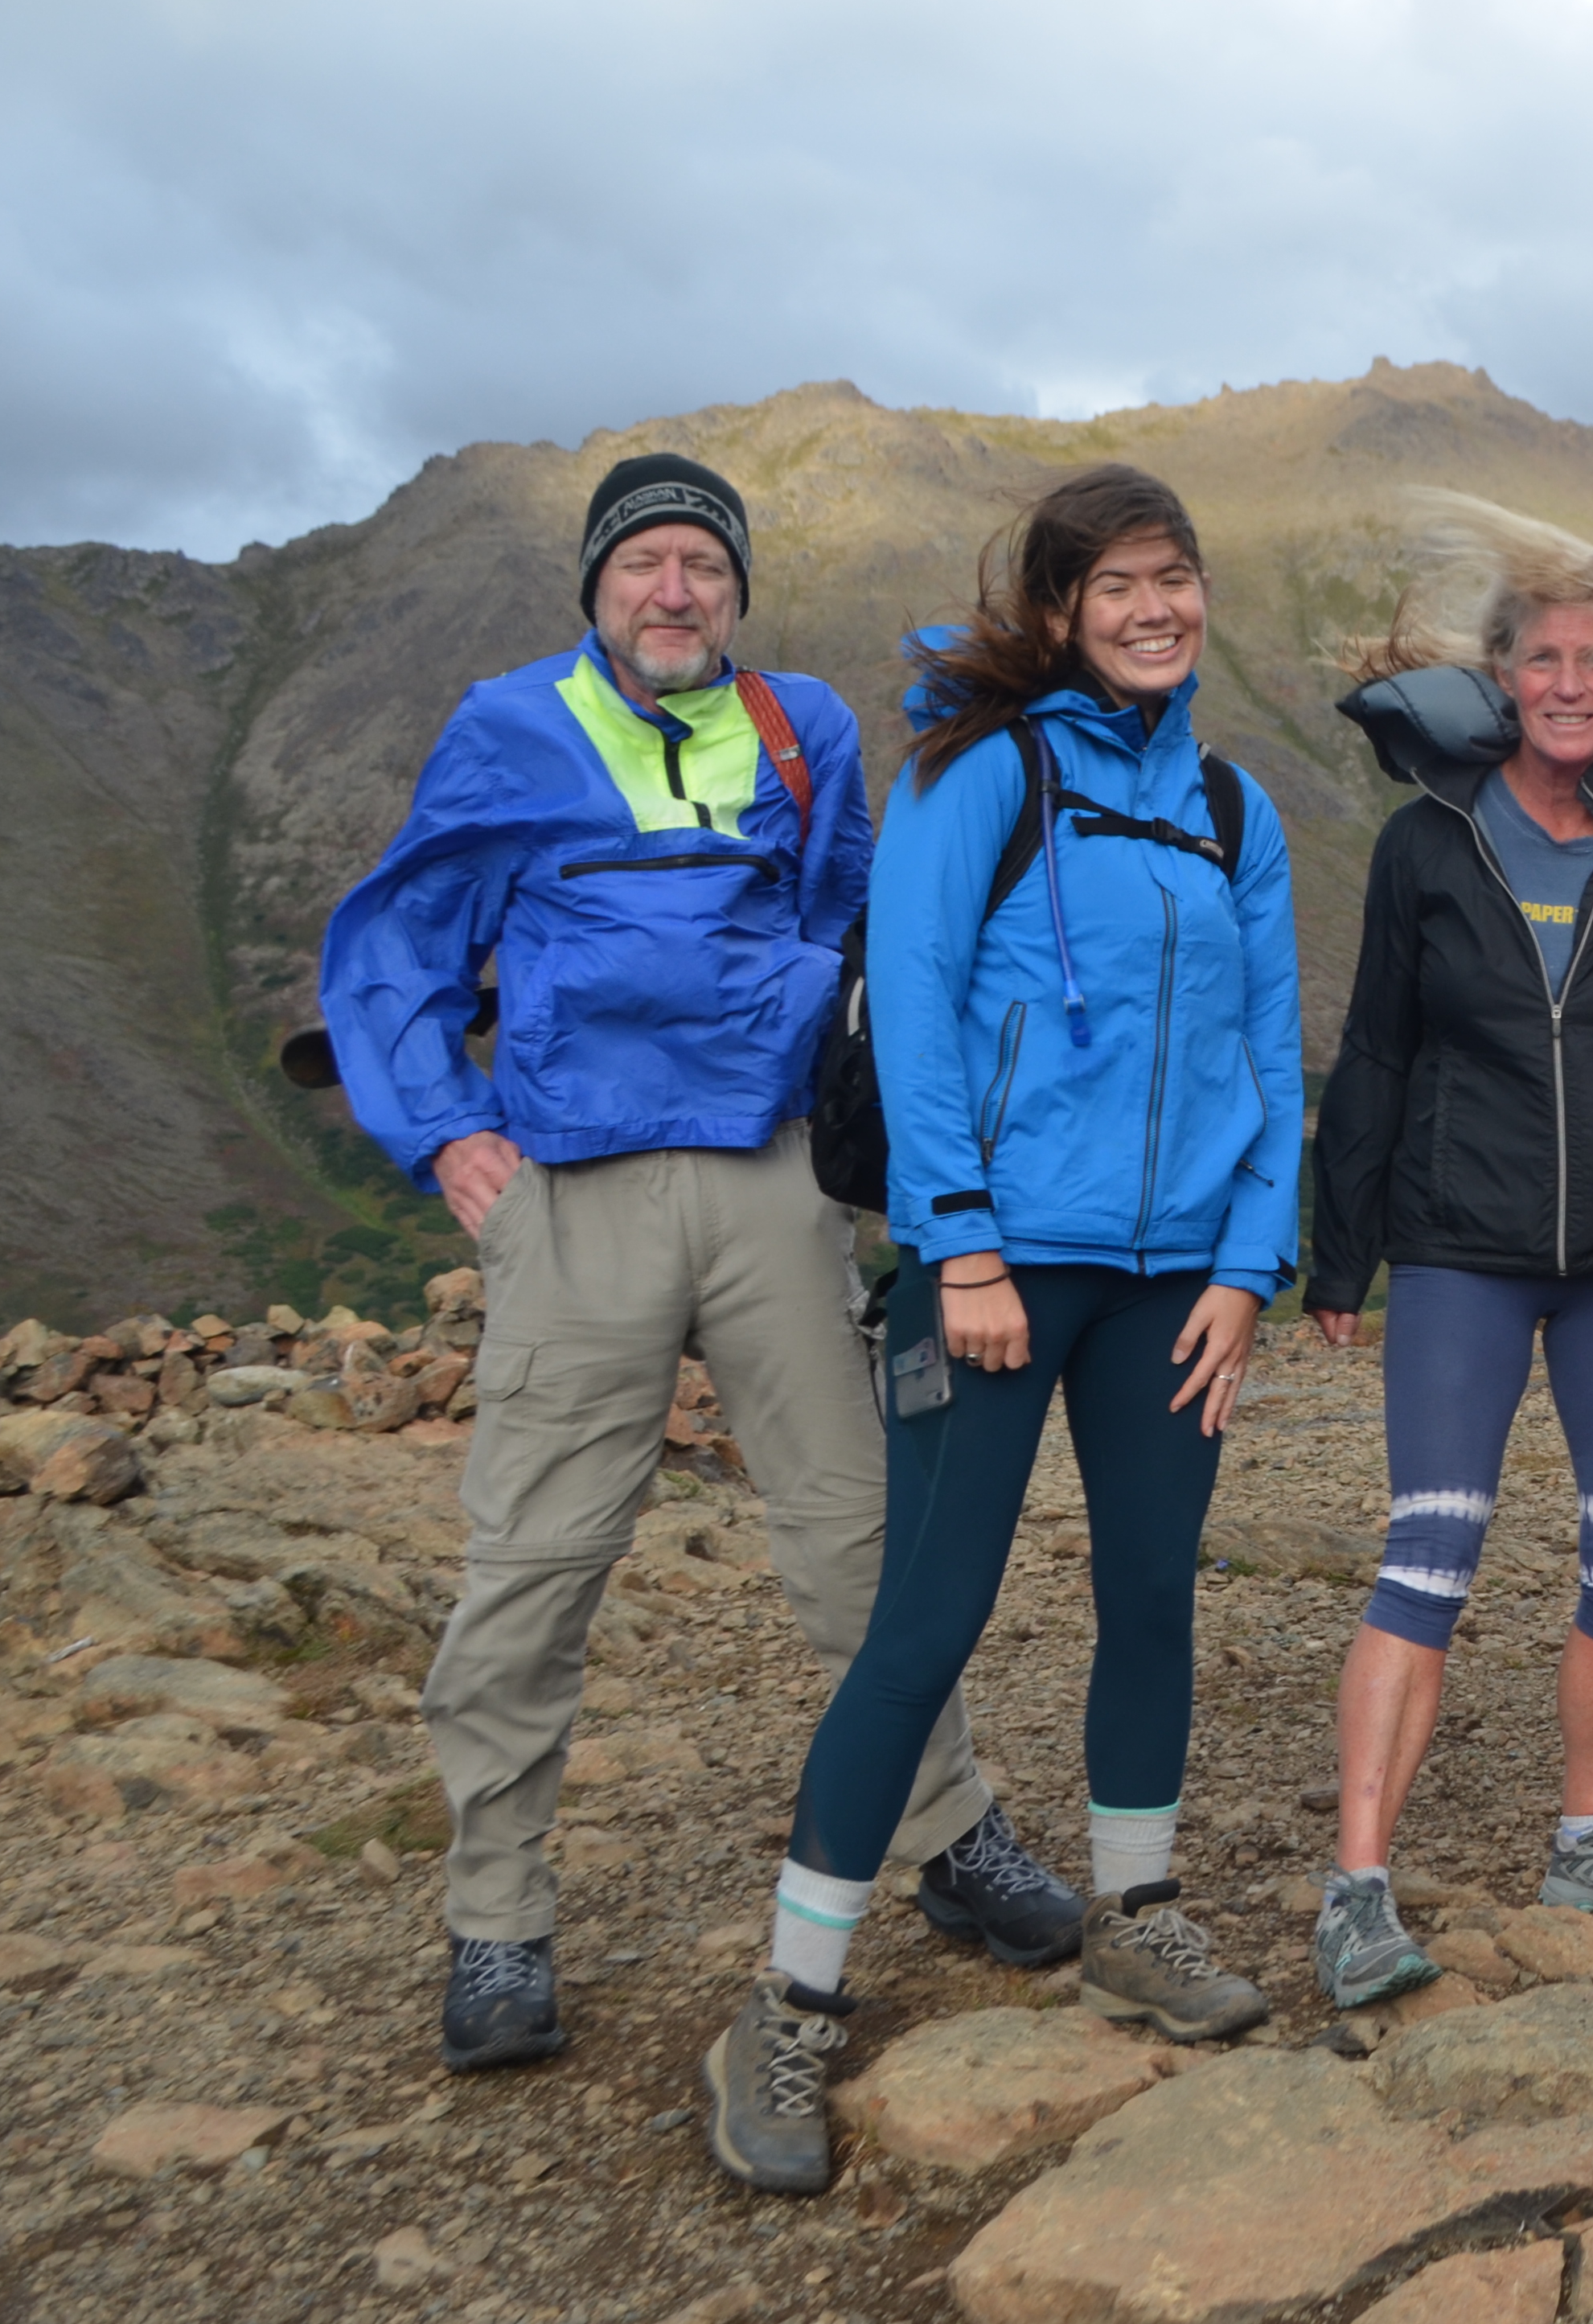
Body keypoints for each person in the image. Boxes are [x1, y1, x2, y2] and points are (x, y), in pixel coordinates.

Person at [319, 454, 1082, 2077]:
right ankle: (497, 1919)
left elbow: (865, 925)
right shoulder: (508, 726)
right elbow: (400, 940)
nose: (676, 592)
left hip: (770, 1180)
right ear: (599, 586)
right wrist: (443, 1133)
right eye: (646, 564)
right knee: (536, 1560)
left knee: (858, 1532)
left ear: (736, 592)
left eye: (705, 568)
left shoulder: (802, 727)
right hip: (576, 1190)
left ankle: (948, 1831)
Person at [698, 462, 1302, 2195]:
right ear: (1057, 611)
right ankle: (788, 2004)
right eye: (1117, 583)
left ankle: (1137, 1913)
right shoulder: (983, 772)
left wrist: (1249, 1267)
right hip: (1002, 1270)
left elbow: (1271, 1052)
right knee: (928, 1618)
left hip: (1174, 1284)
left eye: (1175, 576)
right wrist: (957, 1246)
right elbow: (916, 1013)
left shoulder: (1231, 807)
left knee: (1154, 1595)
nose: (1153, 609)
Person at [1299, 497, 1593, 2010]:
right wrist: (1340, 1255)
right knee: (1428, 1554)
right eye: (1544, 659)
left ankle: (1589, 1837)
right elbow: (1375, 1054)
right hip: (1461, 1254)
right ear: (1502, 676)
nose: (1572, 683)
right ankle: (1358, 1889)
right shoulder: (1428, 843)